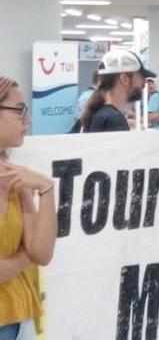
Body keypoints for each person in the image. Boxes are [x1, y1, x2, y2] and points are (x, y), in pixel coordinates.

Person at [0, 76, 58, 339]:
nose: (27, 120)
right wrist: (26, 256)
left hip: (19, 315)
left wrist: (46, 189)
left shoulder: (13, 174)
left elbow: (43, 253)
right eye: (20, 110)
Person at [79, 50, 159, 133]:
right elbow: (131, 161)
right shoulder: (113, 119)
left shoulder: (98, 114)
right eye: (142, 77)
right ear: (125, 79)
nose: (144, 83)